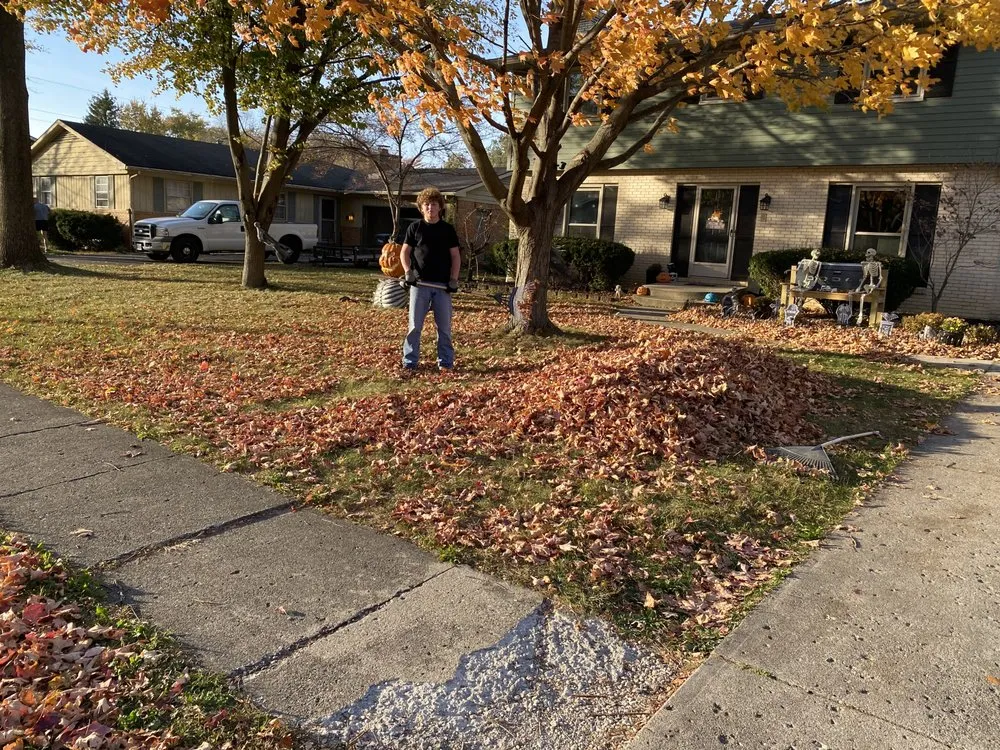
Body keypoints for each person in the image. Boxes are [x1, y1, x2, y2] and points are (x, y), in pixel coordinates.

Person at [400, 187, 461, 373]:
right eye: (426, 205)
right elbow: (404, 252)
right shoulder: (414, 228)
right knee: (415, 326)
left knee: (444, 328)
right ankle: (410, 362)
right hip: (419, 285)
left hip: (442, 286)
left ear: (440, 207)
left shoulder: (447, 230)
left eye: (434, 204)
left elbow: (455, 256)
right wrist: (408, 272)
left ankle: (446, 362)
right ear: (421, 208)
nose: (430, 208)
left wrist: (453, 279)